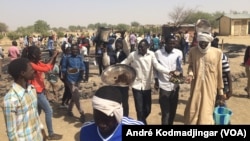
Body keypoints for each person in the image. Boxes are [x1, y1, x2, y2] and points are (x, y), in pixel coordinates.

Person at [121, 39, 171, 124]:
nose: (139, 49)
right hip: (136, 86)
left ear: (147, 47)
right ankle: (142, 124)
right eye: (139, 47)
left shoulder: (151, 54)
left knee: (148, 109)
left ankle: (141, 121)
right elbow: (124, 62)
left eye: (142, 47)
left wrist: (169, 72)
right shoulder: (133, 55)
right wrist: (116, 69)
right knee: (139, 110)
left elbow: (157, 66)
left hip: (147, 86)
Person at [184, 32, 224, 125]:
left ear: (209, 42)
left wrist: (220, 91)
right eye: (201, 42)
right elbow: (190, 66)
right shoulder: (193, 51)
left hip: (210, 87)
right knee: (193, 110)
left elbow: (219, 73)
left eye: (204, 42)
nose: (202, 44)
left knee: (206, 111)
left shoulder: (217, 52)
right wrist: (190, 74)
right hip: (196, 86)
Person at [23, 45, 63, 140]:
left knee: (37, 112)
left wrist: (55, 56)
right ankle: (51, 134)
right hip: (36, 91)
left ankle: (30, 128)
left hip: (40, 90)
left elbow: (48, 66)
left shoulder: (36, 62)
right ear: (33, 55)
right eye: (39, 53)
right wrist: (54, 56)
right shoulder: (30, 65)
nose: (41, 54)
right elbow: (46, 69)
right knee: (49, 111)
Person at [2, 58, 46, 141]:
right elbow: (11, 132)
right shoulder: (11, 99)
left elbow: (35, 115)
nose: (34, 70)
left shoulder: (32, 89)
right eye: (31, 69)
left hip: (37, 137)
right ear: (22, 73)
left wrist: (42, 132)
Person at [80, 86, 144, 141]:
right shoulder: (86, 131)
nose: (102, 124)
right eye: (98, 117)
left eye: (106, 118)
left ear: (118, 113)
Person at [154, 35, 183, 125]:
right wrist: (156, 81)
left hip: (175, 86)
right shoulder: (158, 53)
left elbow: (179, 67)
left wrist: (180, 75)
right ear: (165, 43)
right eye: (169, 43)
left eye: (173, 43)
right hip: (164, 86)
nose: (171, 45)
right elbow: (155, 68)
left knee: (173, 111)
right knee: (165, 113)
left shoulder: (178, 53)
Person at [102, 34, 130, 116]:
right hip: (114, 81)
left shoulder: (126, 54)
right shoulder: (111, 53)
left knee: (125, 101)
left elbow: (127, 48)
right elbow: (106, 63)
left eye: (120, 43)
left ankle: (125, 117)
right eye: (117, 43)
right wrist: (104, 53)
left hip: (124, 81)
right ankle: (116, 116)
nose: (118, 44)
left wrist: (124, 38)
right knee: (115, 100)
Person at [60, 44, 86, 122]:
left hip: (78, 79)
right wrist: (67, 73)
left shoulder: (80, 57)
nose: (74, 51)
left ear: (78, 50)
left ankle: (69, 110)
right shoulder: (66, 58)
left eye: (76, 49)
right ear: (71, 50)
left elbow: (83, 66)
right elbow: (63, 68)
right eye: (73, 49)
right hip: (70, 80)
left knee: (74, 96)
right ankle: (82, 113)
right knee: (76, 96)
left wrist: (82, 72)